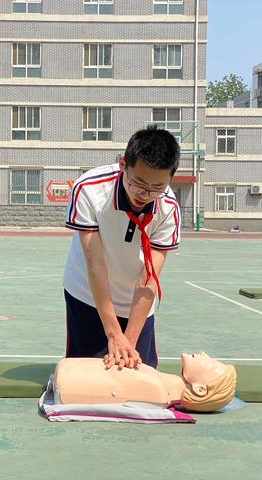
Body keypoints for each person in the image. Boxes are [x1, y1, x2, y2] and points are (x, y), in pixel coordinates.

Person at [63, 126, 181, 370]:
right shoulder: (90, 189)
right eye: (138, 182)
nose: (145, 194)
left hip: (136, 302)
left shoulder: (167, 208)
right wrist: (113, 334)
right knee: (88, 378)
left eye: (156, 187)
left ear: (171, 177)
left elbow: (148, 279)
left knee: (138, 373)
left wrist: (129, 341)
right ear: (122, 164)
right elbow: (96, 263)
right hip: (87, 294)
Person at [53, 352, 237, 413]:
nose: (205, 355)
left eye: (211, 365)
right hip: (68, 371)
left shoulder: (156, 390)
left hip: (67, 378)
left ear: (199, 388)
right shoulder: (157, 380)